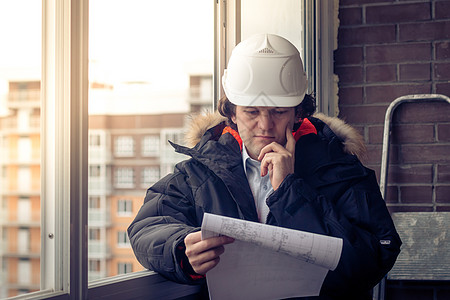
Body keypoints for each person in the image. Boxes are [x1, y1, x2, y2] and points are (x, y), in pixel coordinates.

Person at [128, 34, 401, 299]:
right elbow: (148, 226)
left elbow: (373, 258)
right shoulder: (199, 173)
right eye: (251, 112)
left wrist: (290, 191)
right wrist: (180, 249)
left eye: (278, 111)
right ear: (232, 113)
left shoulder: (340, 169)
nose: (265, 125)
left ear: (297, 112)